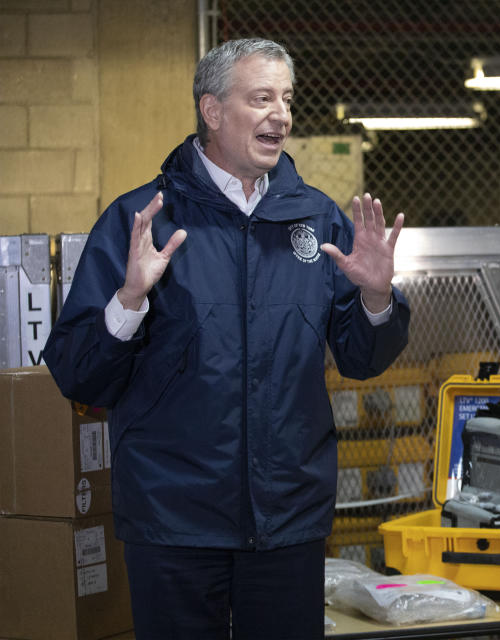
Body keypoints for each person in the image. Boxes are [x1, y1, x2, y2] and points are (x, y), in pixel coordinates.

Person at [42, 38, 410, 639]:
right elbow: (80, 375)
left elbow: (362, 359)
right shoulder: (143, 220)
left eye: (287, 99)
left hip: (288, 517)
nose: (282, 115)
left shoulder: (316, 220)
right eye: (261, 98)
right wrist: (128, 300)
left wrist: (374, 298)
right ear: (212, 112)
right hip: (174, 520)